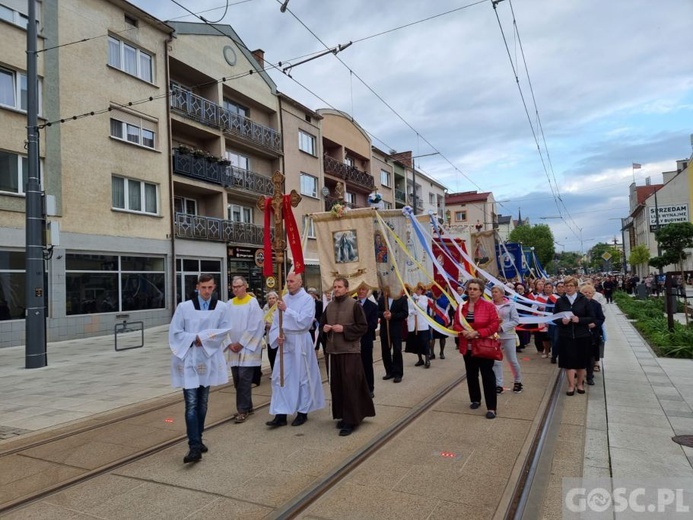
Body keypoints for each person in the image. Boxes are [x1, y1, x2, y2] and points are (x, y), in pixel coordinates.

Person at [169, 274, 230, 463]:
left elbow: (224, 330)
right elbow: (175, 332)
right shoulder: (184, 307)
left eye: (210, 287)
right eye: (203, 287)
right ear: (197, 287)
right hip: (189, 360)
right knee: (192, 404)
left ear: (214, 287)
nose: (207, 291)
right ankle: (194, 445)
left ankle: (199, 437)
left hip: (208, 359)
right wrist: (194, 338)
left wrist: (202, 338)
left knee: (203, 403)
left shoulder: (221, 307)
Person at [266, 273, 325, 428]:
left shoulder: (308, 300)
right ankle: (280, 413)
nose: (289, 283)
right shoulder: (283, 299)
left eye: (292, 281)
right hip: (285, 342)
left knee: (302, 377)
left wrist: (287, 310)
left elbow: (305, 322)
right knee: (280, 377)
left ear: (300, 282)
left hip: (300, 340)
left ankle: (302, 411)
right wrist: (276, 335)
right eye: (287, 281)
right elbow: (276, 322)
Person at [321, 277, 375, 436]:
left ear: (346, 288)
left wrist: (344, 329)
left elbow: (363, 327)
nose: (336, 289)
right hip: (333, 350)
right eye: (334, 286)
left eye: (339, 287)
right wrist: (325, 328)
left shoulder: (354, 305)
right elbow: (322, 322)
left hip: (350, 351)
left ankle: (351, 420)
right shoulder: (329, 306)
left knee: (350, 385)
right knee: (337, 385)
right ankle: (343, 416)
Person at [453, 278, 501, 419]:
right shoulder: (462, 306)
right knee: (471, 374)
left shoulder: (489, 306)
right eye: (470, 288)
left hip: (484, 346)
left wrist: (478, 333)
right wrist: (463, 332)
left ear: (481, 292)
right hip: (467, 346)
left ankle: (491, 407)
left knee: (487, 376)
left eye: (475, 289)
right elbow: (456, 323)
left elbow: (494, 325)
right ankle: (475, 399)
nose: (472, 291)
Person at [226, 276, 265, 424]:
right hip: (233, 348)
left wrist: (241, 343)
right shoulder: (229, 304)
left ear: (245, 286)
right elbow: (224, 324)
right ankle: (248, 405)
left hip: (247, 349)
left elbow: (255, 326)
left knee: (244, 379)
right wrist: (229, 343)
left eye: (239, 286)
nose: (236, 289)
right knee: (237, 379)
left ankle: (242, 410)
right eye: (234, 287)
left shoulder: (252, 303)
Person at [553, 276, 594, 396]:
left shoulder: (584, 300)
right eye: (566, 286)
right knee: (568, 362)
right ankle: (571, 385)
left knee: (581, 362)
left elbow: (591, 317)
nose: (568, 288)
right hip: (566, 335)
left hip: (582, 335)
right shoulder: (560, 301)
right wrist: (562, 321)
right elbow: (555, 317)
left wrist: (579, 320)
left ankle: (580, 384)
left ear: (576, 287)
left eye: (571, 286)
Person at [491, 285, 523, 394]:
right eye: (493, 292)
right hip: (494, 336)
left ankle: (518, 381)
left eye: (496, 292)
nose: (494, 294)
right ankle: (498, 384)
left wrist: (503, 327)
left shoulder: (510, 305)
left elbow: (516, 320)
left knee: (512, 360)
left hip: (508, 335)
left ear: (501, 293)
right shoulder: (489, 305)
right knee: (496, 361)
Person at [378, 288, 408, 383]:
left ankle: (398, 373)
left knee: (397, 350)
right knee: (385, 350)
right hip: (384, 329)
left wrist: (392, 316)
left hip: (396, 329)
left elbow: (404, 313)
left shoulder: (402, 299)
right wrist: (383, 314)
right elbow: (377, 312)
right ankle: (389, 371)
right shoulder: (382, 299)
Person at [355, 283, 378, 398]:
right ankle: (357, 387)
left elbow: (373, 324)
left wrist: (359, 329)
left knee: (367, 364)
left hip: (366, 339)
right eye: (359, 289)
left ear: (367, 291)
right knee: (354, 366)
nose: (360, 291)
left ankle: (370, 388)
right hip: (353, 341)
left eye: (363, 289)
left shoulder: (372, 306)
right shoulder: (352, 303)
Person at [580, 284, 605, 386]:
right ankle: (580, 375)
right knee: (581, 355)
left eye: (589, 293)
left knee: (591, 356)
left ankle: (589, 376)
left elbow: (601, 318)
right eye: (585, 292)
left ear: (593, 294)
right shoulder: (578, 304)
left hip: (593, 334)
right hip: (581, 333)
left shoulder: (596, 305)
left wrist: (594, 324)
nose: (587, 294)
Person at [405, 283, 431, 368]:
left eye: (419, 289)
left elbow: (423, 307)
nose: (418, 291)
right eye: (416, 289)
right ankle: (420, 359)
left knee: (424, 342)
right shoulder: (409, 299)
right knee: (416, 342)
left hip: (422, 323)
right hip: (413, 323)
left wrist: (417, 300)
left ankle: (427, 359)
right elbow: (407, 309)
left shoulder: (424, 298)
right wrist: (411, 312)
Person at [429, 287, 452, 360]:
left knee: (442, 337)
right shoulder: (429, 295)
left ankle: (442, 352)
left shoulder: (444, 296)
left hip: (441, 319)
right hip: (432, 319)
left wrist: (437, 298)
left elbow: (444, 305)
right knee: (432, 337)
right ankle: (432, 353)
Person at [263, 291, 279, 371]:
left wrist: (272, 325)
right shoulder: (265, 308)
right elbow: (262, 320)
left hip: (277, 335)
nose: (272, 300)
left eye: (273, 298)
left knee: (277, 354)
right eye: (270, 298)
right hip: (269, 336)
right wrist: (265, 325)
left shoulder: (279, 308)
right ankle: (273, 370)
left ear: (276, 299)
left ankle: (278, 371)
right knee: (271, 354)